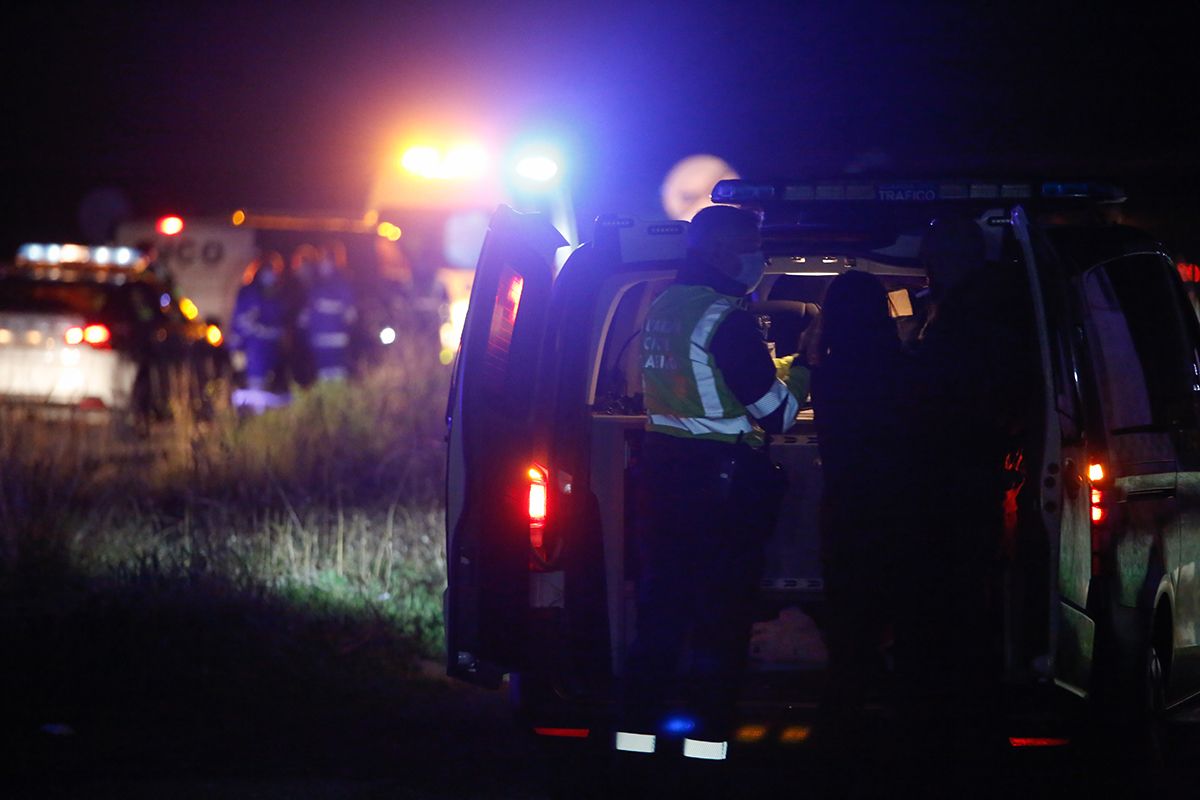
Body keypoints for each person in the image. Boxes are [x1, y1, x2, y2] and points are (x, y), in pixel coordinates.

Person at [616, 205, 810, 762]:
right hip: (721, 492)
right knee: (719, 624)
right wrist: (808, 365)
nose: (760, 254)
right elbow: (778, 416)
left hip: (665, 478)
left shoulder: (668, 305)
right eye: (752, 243)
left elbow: (705, 383)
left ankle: (634, 748)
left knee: (659, 617)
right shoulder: (728, 318)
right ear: (722, 249)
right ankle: (706, 757)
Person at [897, 214, 1037, 763]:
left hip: (953, 480)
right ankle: (966, 719)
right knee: (966, 599)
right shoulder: (988, 307)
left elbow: (944, 398)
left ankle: (951, 724)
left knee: (949, 601)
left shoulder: (970, 317)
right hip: (969, 476)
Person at [807, 270, 919, 756]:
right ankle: (905, 733)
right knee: (906, 618)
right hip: (899, 509)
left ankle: (837, 733)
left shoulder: (828, 371)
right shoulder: (904, 367)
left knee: (848, 627)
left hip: (845, 507)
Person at [230, 251, 290, 412]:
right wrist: (236, 349)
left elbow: (279, 320)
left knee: (268, 392)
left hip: (269, 352)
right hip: (252, 351)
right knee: (254, 388)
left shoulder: (275, 295)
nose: (271, 275)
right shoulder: (250, 293)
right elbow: (242, 323)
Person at [298, 241, 358, 382]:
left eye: (327, 259)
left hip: (336, 338)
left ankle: (338, 400)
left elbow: (350, 314)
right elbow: (309, 312)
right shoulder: (316, 285)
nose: (323, 263)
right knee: (323, 374)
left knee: (338, 373)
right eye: (322, 259)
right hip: (319, 338)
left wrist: (328, 308)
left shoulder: (342, 284)